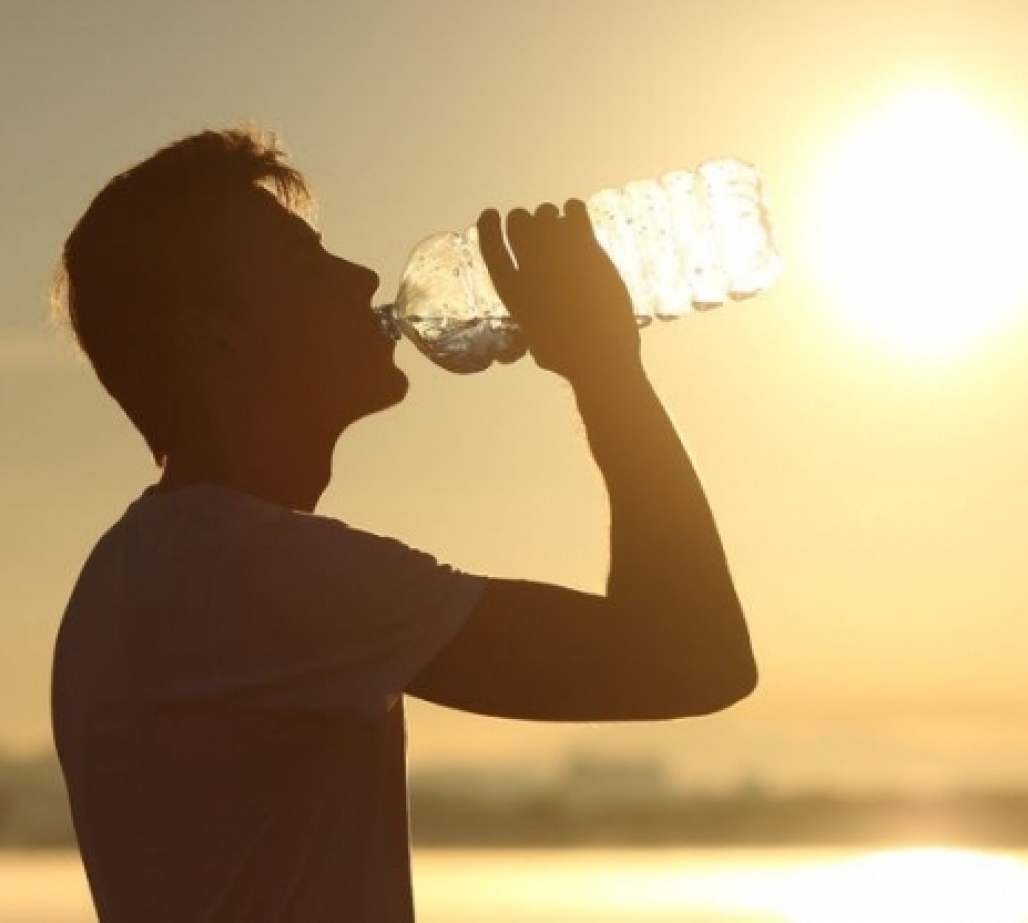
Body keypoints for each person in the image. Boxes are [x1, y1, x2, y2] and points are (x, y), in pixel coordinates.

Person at [48, 127, 757, 922]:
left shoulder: (141, 570)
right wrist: (604, 366)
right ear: (218, 342)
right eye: (304, 266)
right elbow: (691, 661)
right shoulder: (246, 574)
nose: (359, 278)